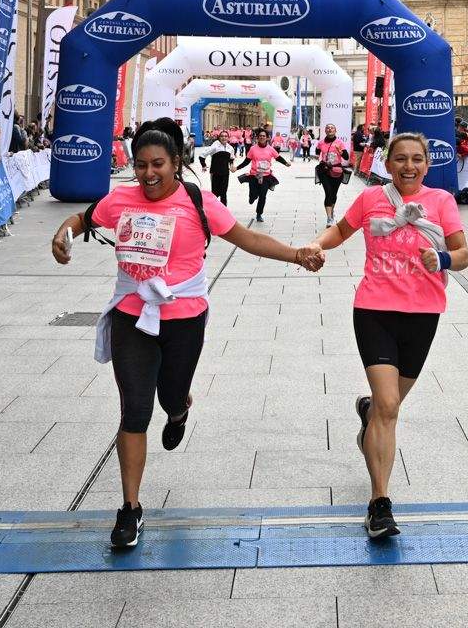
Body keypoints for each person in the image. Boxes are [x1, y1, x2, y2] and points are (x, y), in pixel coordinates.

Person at [48, 119, 322, 552]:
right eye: (140, 165)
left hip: (184, 318)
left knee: (170, 395)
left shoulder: (197, 201)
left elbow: (246, 238)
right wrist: (62, 237)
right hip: (131, 316)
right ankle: (130, 508)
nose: (148, 173)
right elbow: (80, 219)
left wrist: (296, 255)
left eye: (157, 163)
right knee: (134, 411)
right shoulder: (119, 199)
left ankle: (179, 411)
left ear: (177, 163)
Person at [303, 132, 468, 539]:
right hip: (374, 309)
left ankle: (368, 417)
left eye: (416, 159)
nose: (408, 166)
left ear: (427, 165)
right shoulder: (371, 199)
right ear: (387, 163)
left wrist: (442, 258)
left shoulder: (442, 202)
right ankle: (380, 503)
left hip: (423, 314)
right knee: (390, 405)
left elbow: (463, 256)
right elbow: (340, 231)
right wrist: (315, 245)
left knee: (384, 409)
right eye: (400, 159)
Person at [234, 126, 289, 224]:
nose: (262, 137)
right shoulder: (253, 149)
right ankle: (252, 197)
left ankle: (259, 214)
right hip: (254, 175)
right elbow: (246, 161)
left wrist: (285, 163)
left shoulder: (271, 149)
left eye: (264, 136)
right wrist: (237, 168)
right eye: (260, 136)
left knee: (263, 195)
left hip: (266, 176)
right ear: (257, 138)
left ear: (267, 138)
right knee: (253, 195)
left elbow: (278, 157)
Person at [315, 124, 351, 225]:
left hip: (336, 170)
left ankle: (331, 210)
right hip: (324, 170)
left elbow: (346, 157)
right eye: (328, 128)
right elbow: (317, 151)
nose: (330, 129)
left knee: (333, 194)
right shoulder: (321, 142)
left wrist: (340, 152)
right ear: (325, 131)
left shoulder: (339, 143)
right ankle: (329, 218)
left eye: (332, 128)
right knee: (328, 193)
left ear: (335, 131)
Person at [197, 131, 236, 205]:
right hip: (215, 172)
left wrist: (231, 166)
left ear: (228, 138)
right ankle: (211, 209)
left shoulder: (230, 148)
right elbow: (202, 156)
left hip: (225, 173)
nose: (224, 138)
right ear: (219, 137)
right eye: (222, 136)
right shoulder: (215, 146)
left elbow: (231, 159)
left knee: (224, 193)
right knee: (215, 193)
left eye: (225, 136)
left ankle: (223, 211)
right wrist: (204, 165)